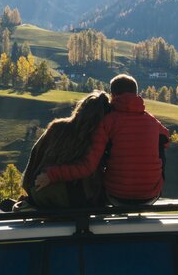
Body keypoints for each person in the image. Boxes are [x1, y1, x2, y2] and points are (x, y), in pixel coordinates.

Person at [36, 74, 169, 204]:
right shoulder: (152, 121)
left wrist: (51, 175)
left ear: (113, 96)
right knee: (160, 144)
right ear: (136, 94)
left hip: (116, 196)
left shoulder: (107, 122)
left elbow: (88, 166)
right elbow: (166, 138)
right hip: (150, 195)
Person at [21, 91, 110, 208]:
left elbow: (35, 157)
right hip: (79, 201)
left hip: (40, 192)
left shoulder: (56, 128)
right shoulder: (99, 139)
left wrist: (30, 191)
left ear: (80, 108)